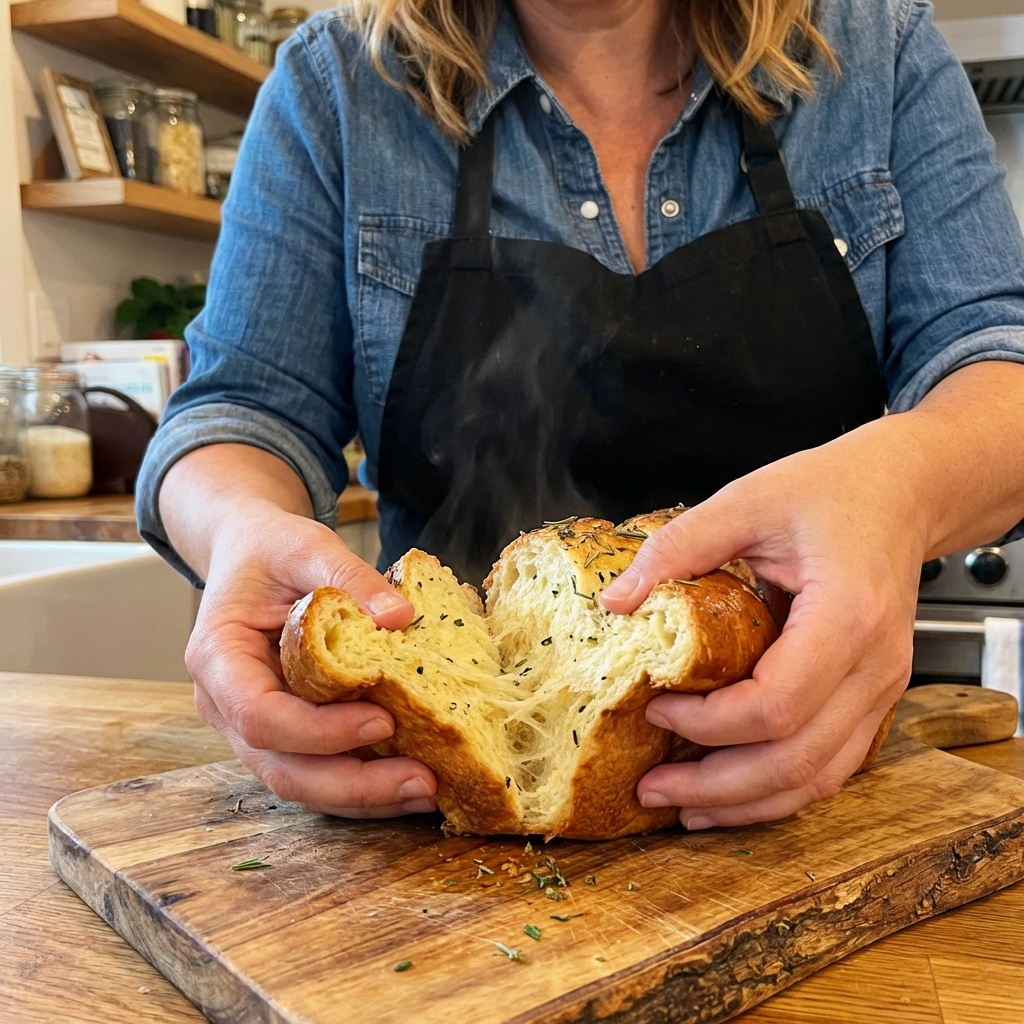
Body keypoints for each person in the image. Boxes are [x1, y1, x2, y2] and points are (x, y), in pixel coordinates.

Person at [139, 0, 1024, 830]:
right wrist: (237, 528)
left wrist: (901, 485)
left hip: (822, 786)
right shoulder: (336, 84)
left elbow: (1000, 361)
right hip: (433, 828)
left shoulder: (878, 48)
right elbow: (239, 411)